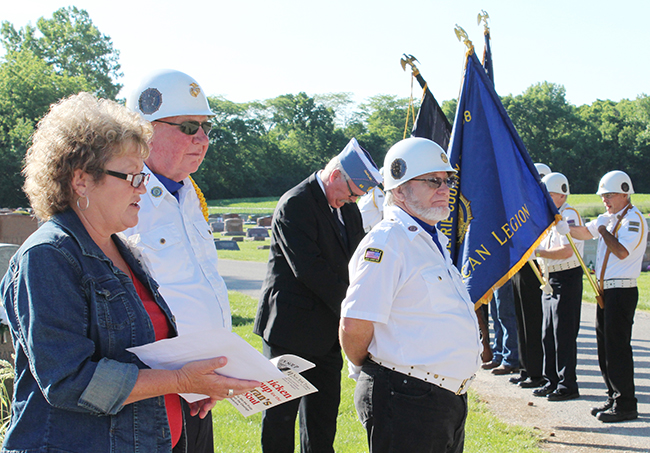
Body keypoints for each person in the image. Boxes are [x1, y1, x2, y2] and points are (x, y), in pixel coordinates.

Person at [0, 93, 258, 452]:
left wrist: (188, 386)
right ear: (81, 181)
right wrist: (177, 379)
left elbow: (141, 354)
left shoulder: (124, 250)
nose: (143, 189)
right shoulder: (49, 256)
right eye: (133, 177)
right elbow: (68, 380)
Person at [339, 137, 482, 453]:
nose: (444, 188)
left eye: (447, 180)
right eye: (433, 181)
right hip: (406, 398)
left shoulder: (428, 238)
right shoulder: (388, 241)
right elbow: (354, 326)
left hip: (440, 399)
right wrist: (380, 370)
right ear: (399, 190)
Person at [124, 69, 236, 452]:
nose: (202, 139)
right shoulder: (121, 198)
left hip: (198, 395)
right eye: (189, 127)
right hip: (148, 400)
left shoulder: (190, 195)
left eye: (205, 127)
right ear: (147, 130)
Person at [253, 137, 382, 452]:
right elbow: (310, 270)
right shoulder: (295, 203)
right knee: (281, 418)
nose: (353, 200)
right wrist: (355, 306)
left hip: (326, 332)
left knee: (322, 419)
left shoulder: (348, 210)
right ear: (336, 175)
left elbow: (356, 261)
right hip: (289, 330)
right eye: (352, 193)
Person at [570, 170, 646, 423]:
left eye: (610, 195)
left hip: (622, 289)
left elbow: (622, 252)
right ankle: (613, 395)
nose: (605, 200)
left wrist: (603, 231)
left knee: (617, 348)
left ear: (625, 193)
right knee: (605, 348)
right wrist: (564, 227)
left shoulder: (632, 220)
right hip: (606, 290)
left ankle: (626, 403)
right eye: (603, 196)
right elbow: (584, 232)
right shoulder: (608, 218)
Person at [532, 172, 584, 401]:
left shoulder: (568, 215)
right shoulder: (551, 217)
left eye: (550, 195)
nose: (546, 199)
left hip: (567, 277)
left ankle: (567, 384)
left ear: (562, 195)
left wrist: (538, 253)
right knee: (547, 334)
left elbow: (566, 251)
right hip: (551, 278)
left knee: (563, 333)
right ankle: (551, 379)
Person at [508, 163, 549, 388]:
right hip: (521, 263)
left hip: (536, 265)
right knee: (521, 320)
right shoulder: (524, 205)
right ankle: (526, 367)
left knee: (533, 320)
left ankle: (536, 372)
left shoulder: (542, 208)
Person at [482, 281, 520, 375]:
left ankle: (510, 359)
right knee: (496, 316)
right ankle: (499, 355)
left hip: (504, 273)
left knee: (505, 315)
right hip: (495, 273)